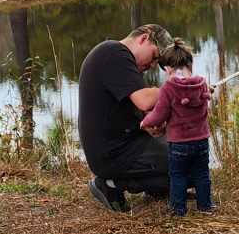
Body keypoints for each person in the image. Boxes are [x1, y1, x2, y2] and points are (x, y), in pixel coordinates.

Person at [77, 22, 176, 212]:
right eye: (155, 56)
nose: (153, 65)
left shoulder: (122, 61)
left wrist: (154, 124)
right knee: (185, 160)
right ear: (144, 38)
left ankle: (157, 186)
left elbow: (142, 113)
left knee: (185, 151)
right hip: (113, 153)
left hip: (124, 144)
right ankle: (110, 184)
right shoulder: (115, 53)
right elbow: (145, 101)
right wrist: (180, 86)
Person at [140, 41, 214, 216]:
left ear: (167, 69)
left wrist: (145, 122)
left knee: (178, 176)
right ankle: (205, 206)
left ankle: (178, 209)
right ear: (190, 64)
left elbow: (159, 115)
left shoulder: (168, 88)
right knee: (202, 174)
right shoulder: (202, 84)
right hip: (202, 141)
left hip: (179, 144)